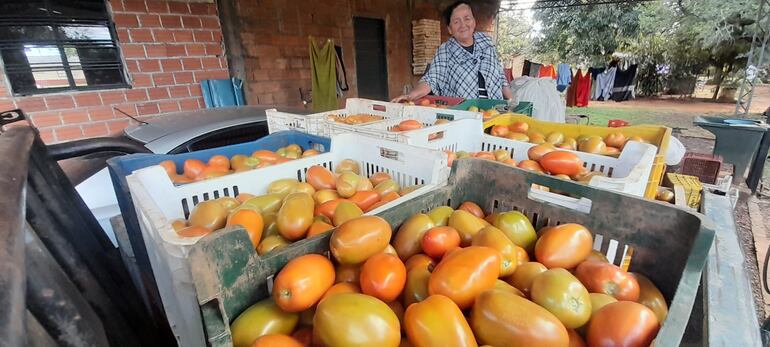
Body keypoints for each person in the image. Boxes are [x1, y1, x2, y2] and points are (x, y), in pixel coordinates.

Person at [392, 1, 513, 102]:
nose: (463, 25)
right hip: (463, 116)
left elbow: (500, 75)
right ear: (450, 29)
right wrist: (410, 96)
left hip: (495, 111)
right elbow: (431, 79)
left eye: (467, 19)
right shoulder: (445, 51)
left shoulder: (486, 42)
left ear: (474, 22)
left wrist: (513, 101)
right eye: (456, 22)